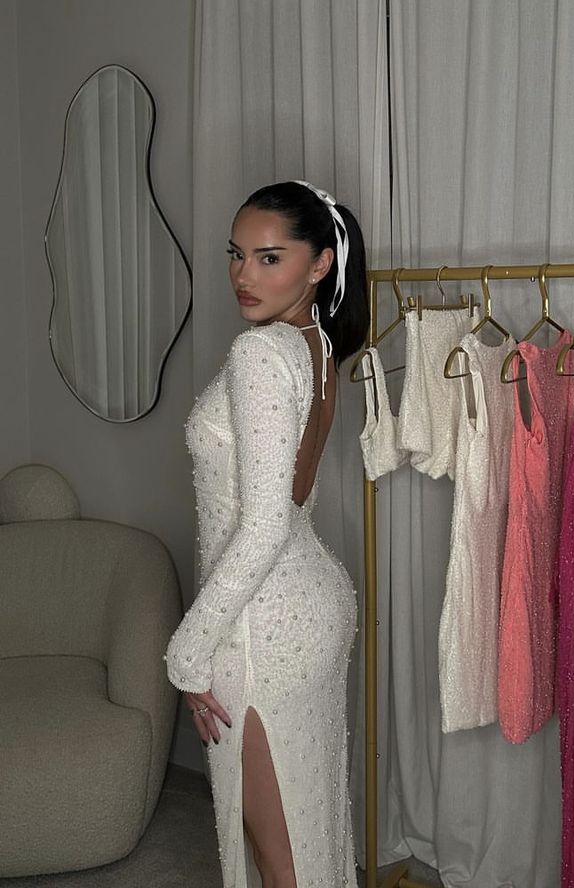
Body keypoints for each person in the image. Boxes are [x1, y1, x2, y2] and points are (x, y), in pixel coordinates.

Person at [165, 180, 369, 888]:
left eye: (269, 257)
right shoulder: (315, 343)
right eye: (237, 255)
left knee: (282, 862)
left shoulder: (260, 355)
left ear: (319, 265)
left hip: (263, 626)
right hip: (308, 604)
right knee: (308, 834)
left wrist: (187, 654)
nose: (244, 276)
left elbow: (261, 527)